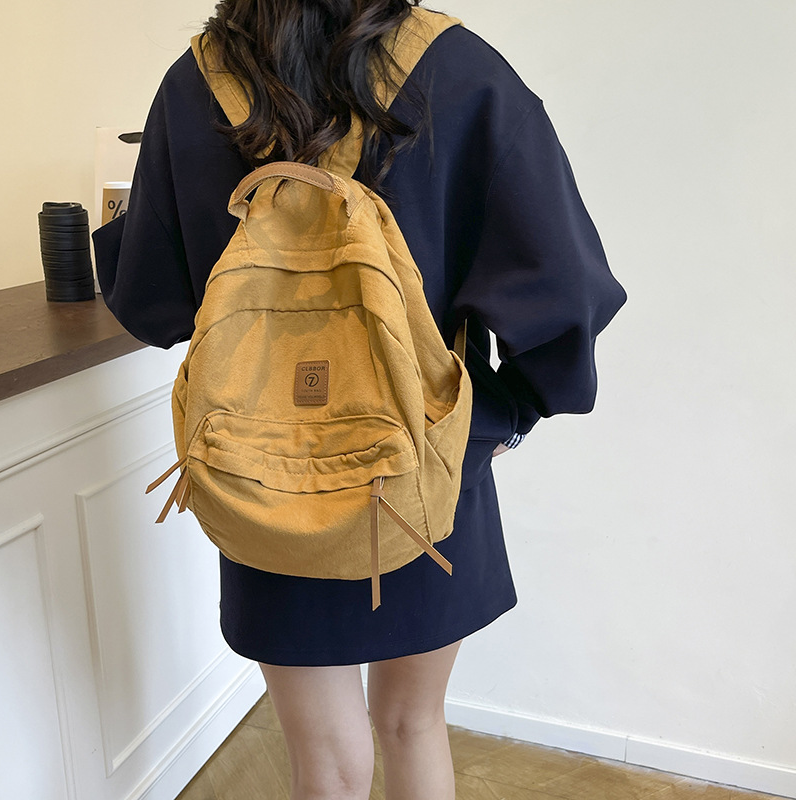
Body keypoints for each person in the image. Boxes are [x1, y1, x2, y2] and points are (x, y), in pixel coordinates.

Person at [93, 1, 627, 798]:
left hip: (264, 478)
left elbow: (150, 301)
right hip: (424, 465)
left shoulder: (194, 85)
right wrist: (502, 415)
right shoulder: (460, 71)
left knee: (325, 765)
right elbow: (566, 290)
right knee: (414, 726)